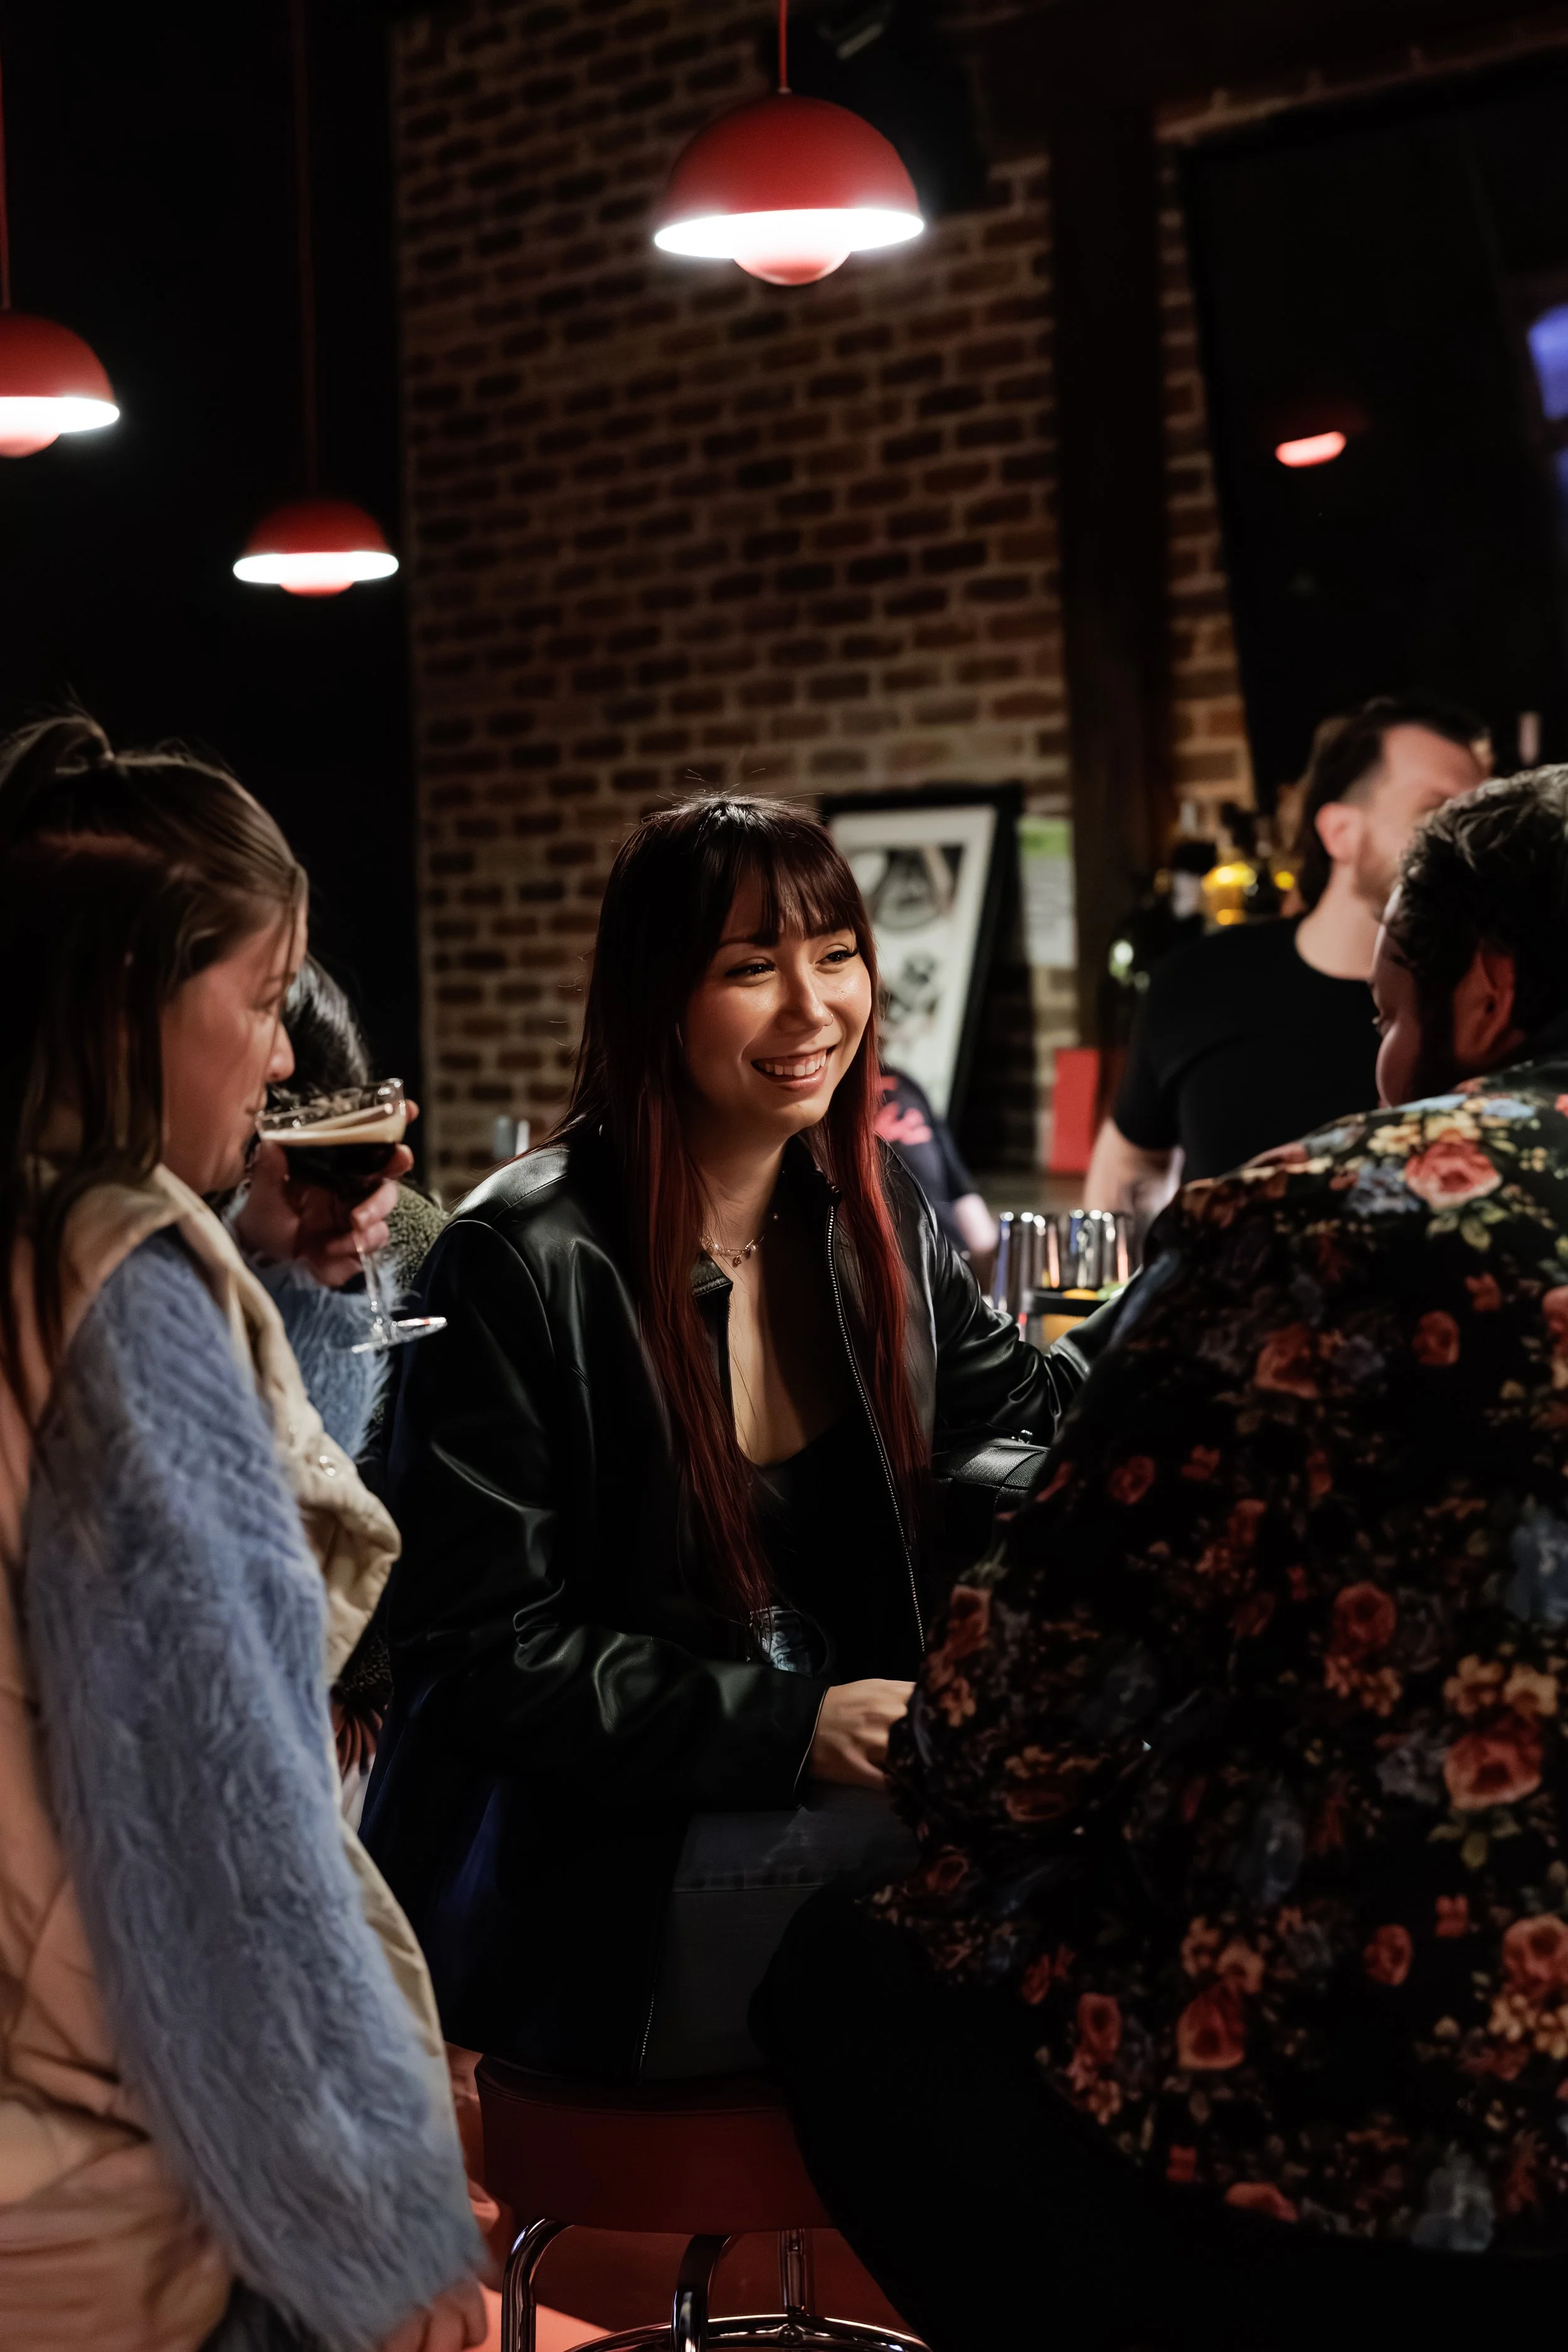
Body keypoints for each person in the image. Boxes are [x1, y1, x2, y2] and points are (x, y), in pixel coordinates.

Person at [753, 766, 1568, 2350]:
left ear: (1486, 992)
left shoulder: (1322, 1212)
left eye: (1388, 1013)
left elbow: (1014, 1731)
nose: (1381, 1060)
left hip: (1375, 2106)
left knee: (842, 1980)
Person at [363, 795, 1107, 2080]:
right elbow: (476, 1658)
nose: (812, 1008)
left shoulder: (868, 1225)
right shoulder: (520, 1257)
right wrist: (793, 1723)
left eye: (834, 956)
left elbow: (1033, 1423)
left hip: (796, 1812)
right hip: (590, 1881)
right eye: (750, 969)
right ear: (659, 998)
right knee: (1005, 1882)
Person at [0, 714, 486, 2352]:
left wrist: (276, 1278)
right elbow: (221, 1802)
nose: (283, 1060)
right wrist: (371, 2219)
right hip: (135, 2193)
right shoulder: (119, 1286)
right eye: (264, 1000)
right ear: (129, 995)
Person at [1084, 693, 1486, 1210]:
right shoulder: (1199, 983)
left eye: (1477, 815)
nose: (1467, 841)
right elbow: (1133, 1163)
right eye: (1435, 811)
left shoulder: (1492, 1003)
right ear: (1341, 832)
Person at [874, 1064, 998, 1264]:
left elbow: (957, 1182)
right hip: (896, 1261)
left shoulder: (903, 1082)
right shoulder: (829, 1095)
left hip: (950, 1254)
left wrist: (993, 1257)